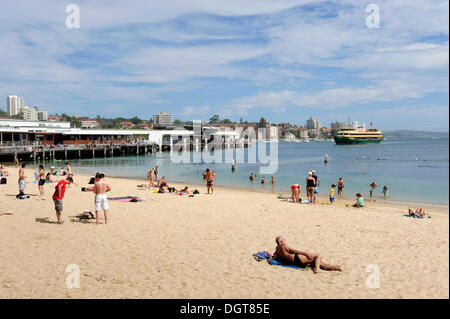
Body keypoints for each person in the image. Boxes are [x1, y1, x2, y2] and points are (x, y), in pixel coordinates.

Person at [274, 236, 345, 274]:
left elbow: (279, 256)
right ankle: (317, 270)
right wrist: (305, 253)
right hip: (296, 259)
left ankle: (338, 267)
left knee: (319, 263)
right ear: (281, 241)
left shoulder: (277, 249)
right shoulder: (283, 245)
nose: (285, 239)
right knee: (317, 255)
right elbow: (293, 250)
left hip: (293, 261)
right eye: (284, 239)